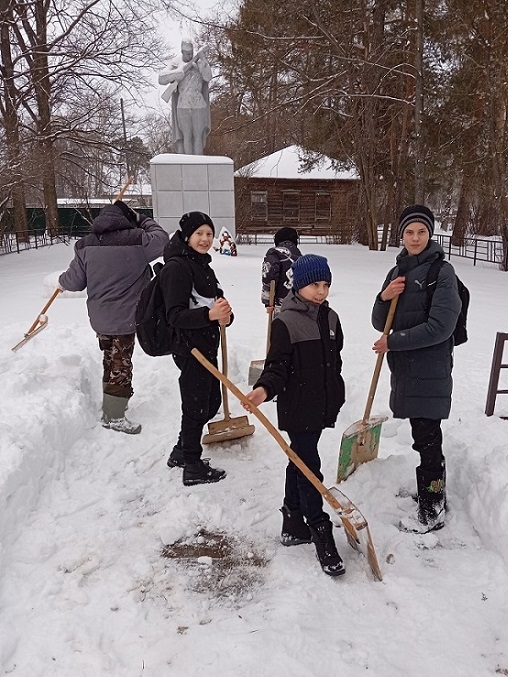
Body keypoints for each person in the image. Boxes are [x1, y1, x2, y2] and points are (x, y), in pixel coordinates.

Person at [244, 254, 346, 577]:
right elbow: (278, 368)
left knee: (299, 460)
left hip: (321, 406)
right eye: (315, 284)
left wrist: (337, 391)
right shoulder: (285, 322)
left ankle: (292, 521)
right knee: (309, 466)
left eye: (326, 284)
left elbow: (335, 361)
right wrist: (263, 390)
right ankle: (319, 527)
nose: (321, 291)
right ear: (299, 284)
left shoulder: (331, 320)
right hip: (298, 407)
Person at [371, 204, 462, 534]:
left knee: (428, 438)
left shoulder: (443, 272)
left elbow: (441, 326)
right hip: (408, 369)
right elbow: (380, 321)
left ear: (430, 233)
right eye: (409, 232)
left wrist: (393, 343)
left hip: (430, 368)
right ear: (401, 234)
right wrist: (385, 295)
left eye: (421, 231)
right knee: (422, 435)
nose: (415, 237)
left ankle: (433, 508)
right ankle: (429, 495)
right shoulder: (398, 270)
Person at [58, 201, 169, 434]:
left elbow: (74, 282)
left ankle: (111, 405)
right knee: (121, 363)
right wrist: (142, 219)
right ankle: (114, 416)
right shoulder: (137, 239)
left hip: (99, 318)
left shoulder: (85, 245)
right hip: (126, 317)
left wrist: (61, 280)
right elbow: (162, 238)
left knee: (111, 357)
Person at [159, 211, 232, 486]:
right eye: (199, 234)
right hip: (190, 348)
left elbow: (215, 302)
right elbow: (174, 316)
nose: (205, 239)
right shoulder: (177, 268)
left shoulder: (203, 265)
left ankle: (180, 450)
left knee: (209, 401)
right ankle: (192, 464)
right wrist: (209, 316)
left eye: (209, 234)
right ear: (187, 236)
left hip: (206, 345)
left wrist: (225, 314)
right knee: (196, 405)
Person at [158, 39, 212, 156]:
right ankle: (189, 163)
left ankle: (198, 165)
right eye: (187, 53)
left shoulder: (198, 62)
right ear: (182, 51)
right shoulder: (176, 63)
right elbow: (161, 78)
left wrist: (203, 58)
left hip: (198, 104)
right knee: (186, 136)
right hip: (183, 104)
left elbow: (207, 77)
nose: (190, 55)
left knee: (198, 136)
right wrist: (177, 73)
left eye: (191, 53)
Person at [261, 227, 302, 313]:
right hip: (298, 303)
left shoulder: (274, 253)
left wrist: (267, 300)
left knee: (280, 325)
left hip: (281, 303)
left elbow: (270, 274)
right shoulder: (300, 257)